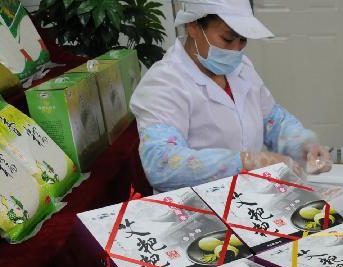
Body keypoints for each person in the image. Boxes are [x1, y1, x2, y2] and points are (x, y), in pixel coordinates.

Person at [130, 0, 331, 192]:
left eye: (243, 40)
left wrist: (304, 146)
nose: (236, 49)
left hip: (248, 197)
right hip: (196, 209)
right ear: (193, 26)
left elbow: (272, 120)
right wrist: (245, 162)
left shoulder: (241, 68)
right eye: (227, 39)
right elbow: (161, 163)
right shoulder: (164, 83)